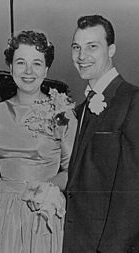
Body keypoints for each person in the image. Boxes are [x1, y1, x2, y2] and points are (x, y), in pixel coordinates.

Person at [0, 30, 77, 253]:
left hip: (41, 214)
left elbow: (72, 171)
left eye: (36, 64)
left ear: (46, 69)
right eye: (21, 62)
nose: (28, 71)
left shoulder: (62, 113)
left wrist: (46, 188)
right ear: (10, 67)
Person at [62, 14, 139, 253]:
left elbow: (133, 189)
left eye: (92, 46)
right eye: (77, 47)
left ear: (111, 49)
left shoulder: (133, 100)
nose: (82, 56)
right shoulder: (81, 108)